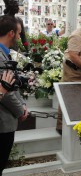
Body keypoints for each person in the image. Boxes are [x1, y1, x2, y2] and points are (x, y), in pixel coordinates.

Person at [0, 15, 28, 175]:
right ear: (11, 33)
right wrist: (20, 111)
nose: (19, 36)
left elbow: (13, 84)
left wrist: (23, 103)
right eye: (18, 33)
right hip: (3, 123)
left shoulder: (5, 53)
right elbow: (6, 91)